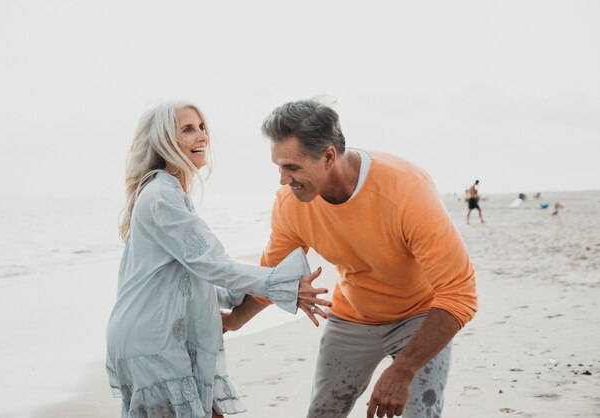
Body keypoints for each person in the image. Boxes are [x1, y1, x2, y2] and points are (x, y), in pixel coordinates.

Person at [223, 100, 478, 418]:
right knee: (322, 413)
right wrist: (233, 321)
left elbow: (460, 295)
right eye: (279, 166)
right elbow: (273, 277)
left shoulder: (406, 191)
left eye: (292, 167)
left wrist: (403, 370)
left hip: (420, 316)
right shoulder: (291, 204)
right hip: (353, 316)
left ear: (328, 156)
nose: (282, 179)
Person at [105, 100, 331, 418]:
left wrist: (248, 300)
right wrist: (284, 287)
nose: (201, 137)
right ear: (163, 141)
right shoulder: (161, 196)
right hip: (153, 339)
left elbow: (199, 271)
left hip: (160, 334)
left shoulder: (167, 192)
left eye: (201, 128)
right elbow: (210, 264)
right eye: (187, 129)